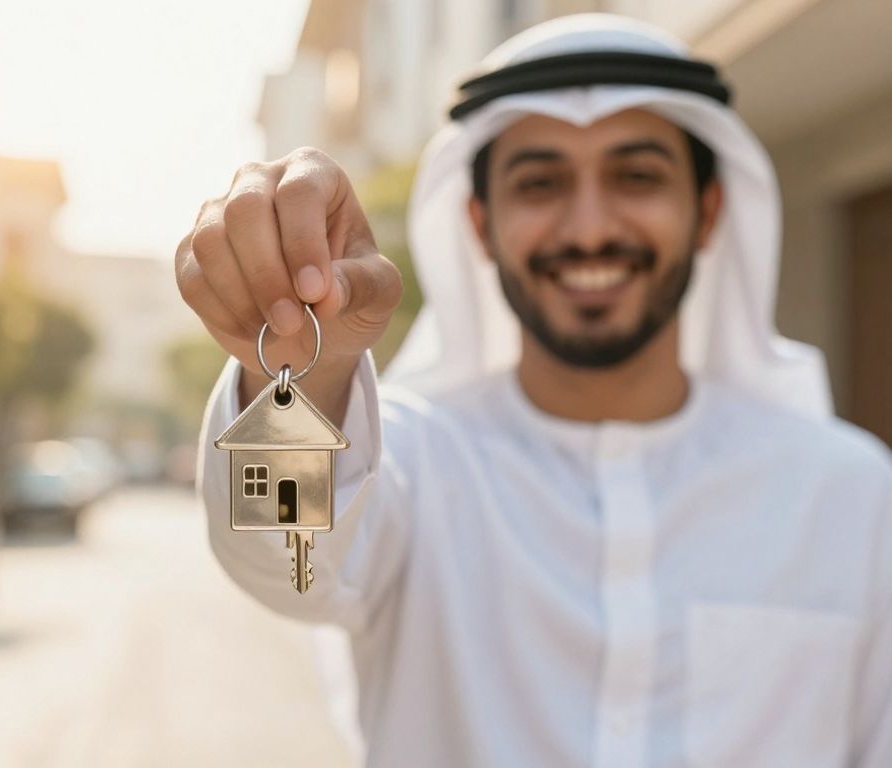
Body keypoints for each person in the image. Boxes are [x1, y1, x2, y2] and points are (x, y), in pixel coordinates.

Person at [174, 13, 891, 767]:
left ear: (707, 213)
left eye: (637, 176)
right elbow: (284, 557)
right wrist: (300, 361)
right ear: (479, 224)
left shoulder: (851, 497)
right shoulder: (414, 468)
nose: (587, 229)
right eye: (541, 183)